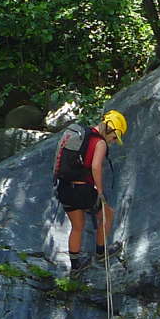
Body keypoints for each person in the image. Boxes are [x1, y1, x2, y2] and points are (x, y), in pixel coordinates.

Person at [53, 108, 126, 272]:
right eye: (114, 137)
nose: (113, 141)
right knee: (108, 215)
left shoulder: (82, 136)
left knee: (77, 226)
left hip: (64, 188)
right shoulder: (99, 142)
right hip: (82, 190)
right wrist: (100, 192)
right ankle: (101, 253)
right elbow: (95, 167)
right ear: (109, 128)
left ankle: (75, 267)